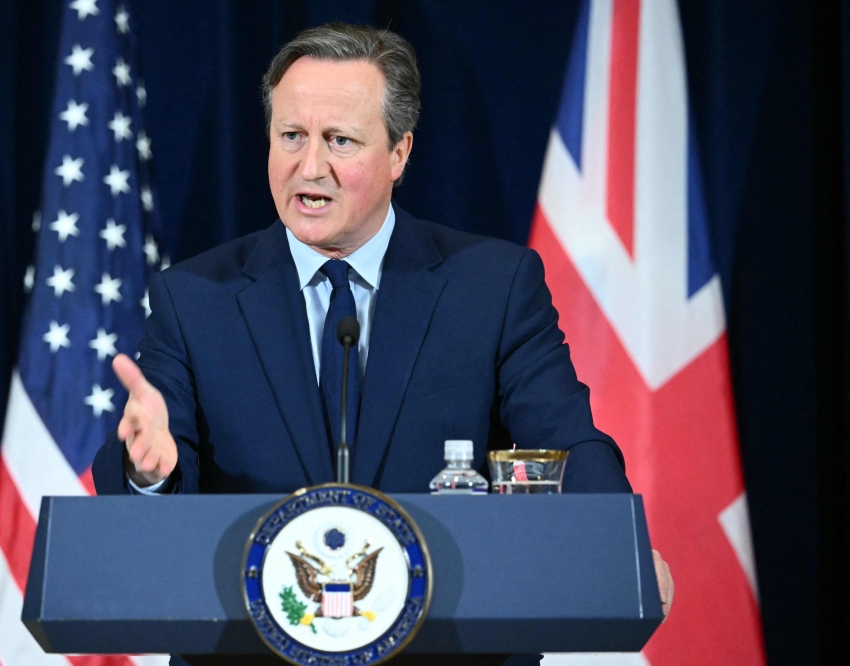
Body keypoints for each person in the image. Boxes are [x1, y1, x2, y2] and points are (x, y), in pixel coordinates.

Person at [91, 23, 674, 657]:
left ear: (399, 153)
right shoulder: (193, 298)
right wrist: (148, 471)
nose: (310, 166)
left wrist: (615, 547)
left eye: (339, 140)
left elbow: (566, 441)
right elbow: (152, 466)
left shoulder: (492, 286)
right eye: (291, 136)